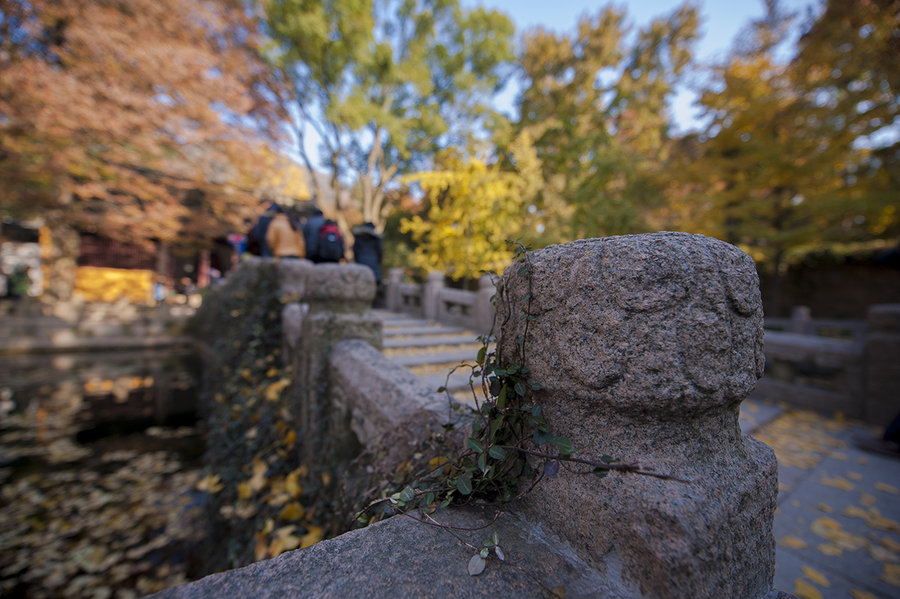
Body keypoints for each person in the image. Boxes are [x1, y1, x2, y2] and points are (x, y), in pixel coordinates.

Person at [352, 222, 384, 302]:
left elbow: (355, 250)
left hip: (361, 262)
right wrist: (378, 261)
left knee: (360, 282)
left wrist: (357, 260)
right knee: (374, 282)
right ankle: (371, 300)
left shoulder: (358, 237)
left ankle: (361, 300)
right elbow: (380, 252)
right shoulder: (376, 239)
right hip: (373, 263)